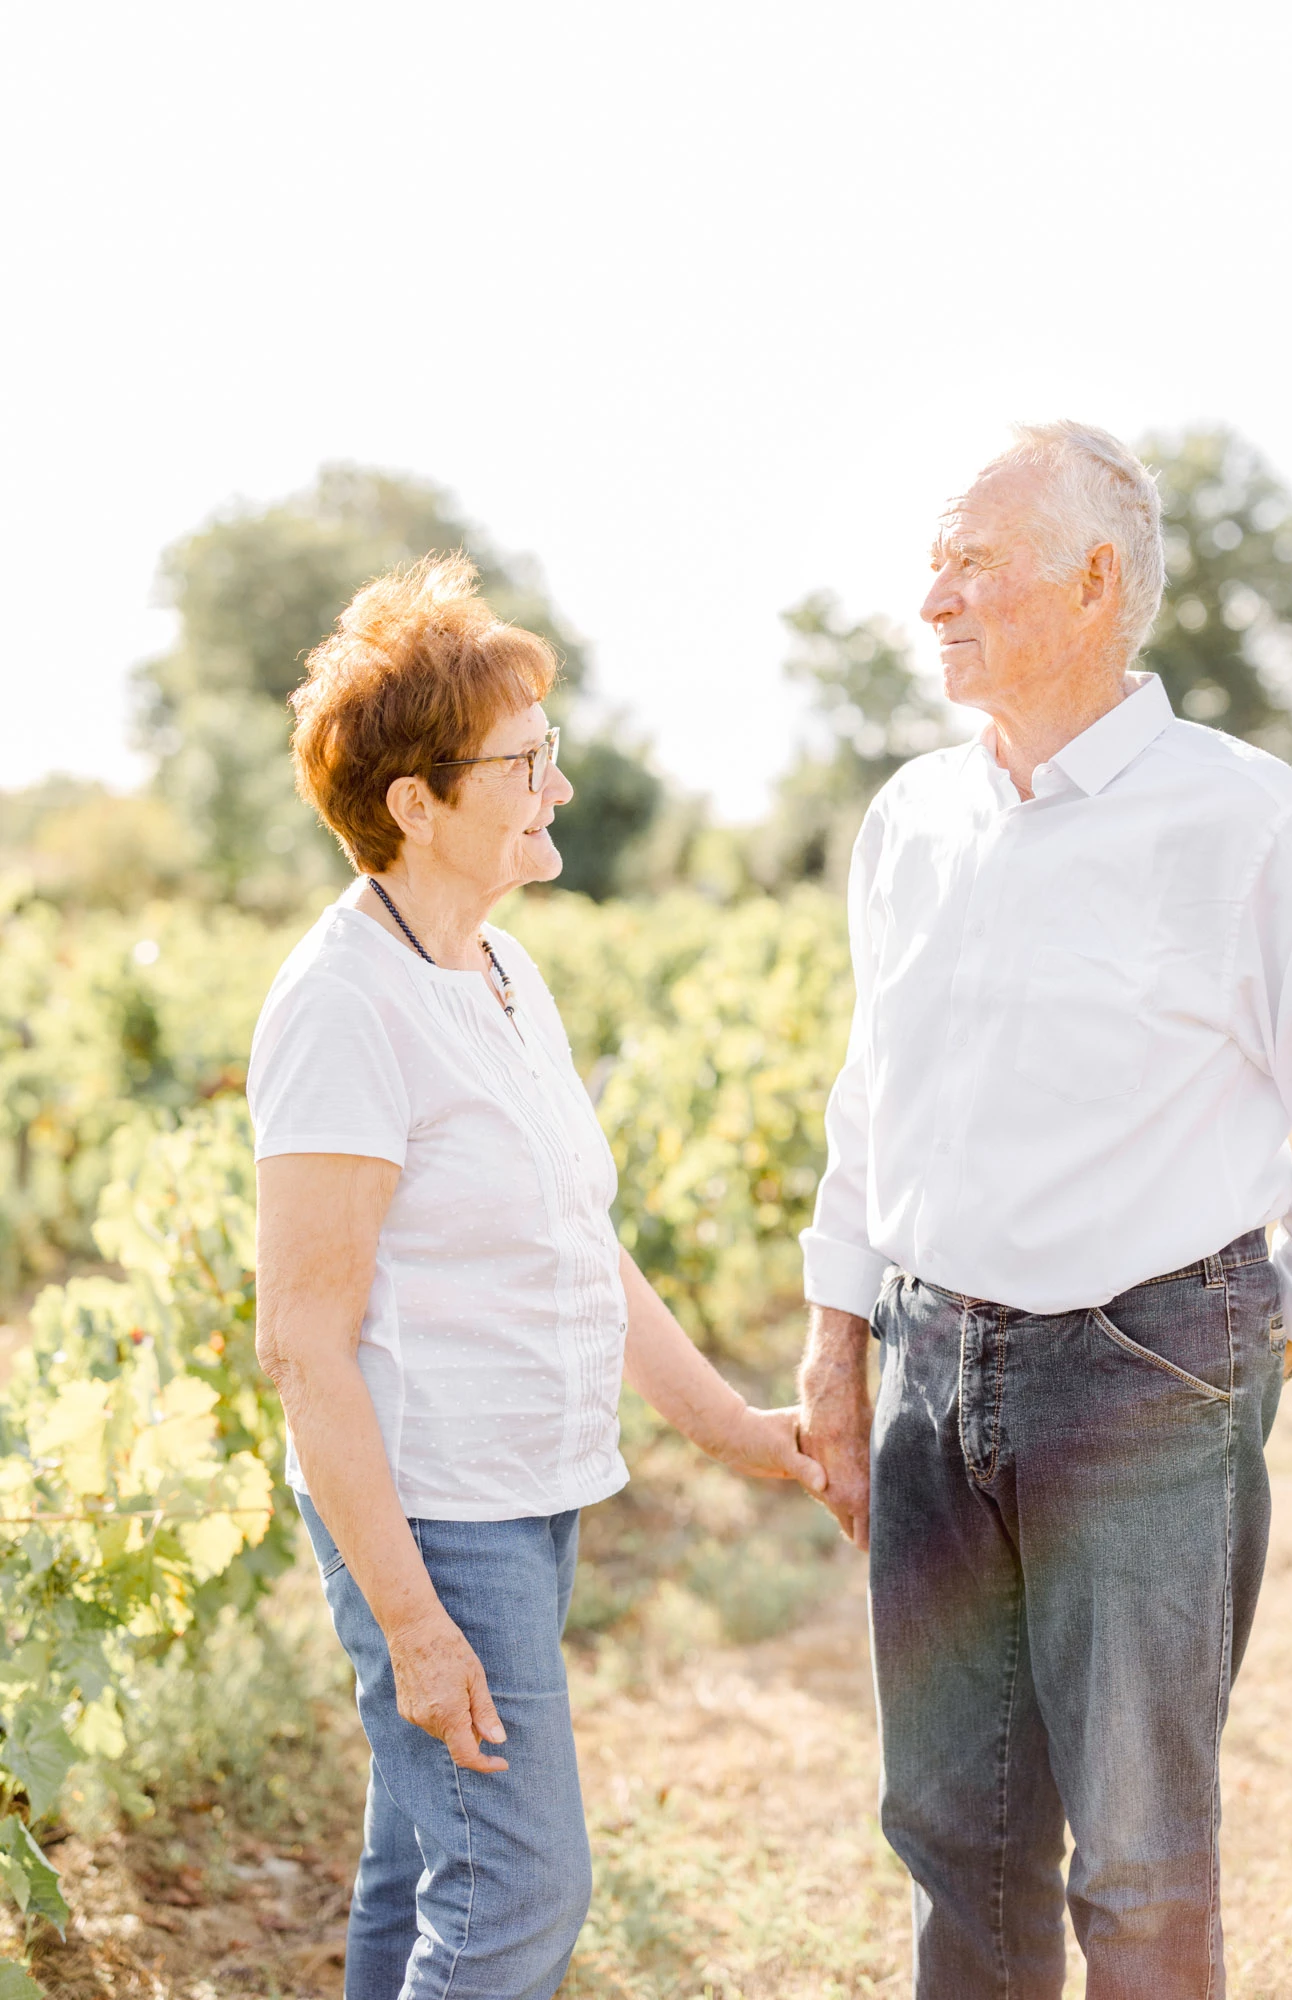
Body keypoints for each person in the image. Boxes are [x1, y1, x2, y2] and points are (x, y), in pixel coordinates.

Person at [797, 421, 1292, 2000]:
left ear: (1095, 580)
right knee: (949, 1830)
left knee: (1143, 1864)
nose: (934, 598)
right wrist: (835, 1341)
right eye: (934, 562)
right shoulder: (909, 820)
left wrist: (1278, 1320)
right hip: (930, 1372)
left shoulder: (1248, 822)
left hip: (1146, 1372)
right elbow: (864, 1096)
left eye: (973, 562)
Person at [249, 554, 825, 2000]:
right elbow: (304, 1348)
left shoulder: (502, 973)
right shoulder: (342, 1008)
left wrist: (725, 1425)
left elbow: (584, 1240)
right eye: (526, 761)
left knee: (421, 1857)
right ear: (416, 805)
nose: (558, 786)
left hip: (526, 1496)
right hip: (435, 1516)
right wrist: (416, 1622)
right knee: (517, 1889)